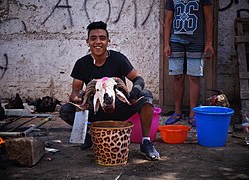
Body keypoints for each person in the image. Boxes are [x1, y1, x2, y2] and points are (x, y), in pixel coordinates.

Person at [60, 21, 160, 161]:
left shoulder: (118, 59)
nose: (98, 42)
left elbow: (138, 79)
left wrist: (134, 93)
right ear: (87, 42)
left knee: (146, 96)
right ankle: (89, 136)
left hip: (120, 108)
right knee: (65, 110)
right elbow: (75, 92)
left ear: (108, 41)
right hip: (96, 110)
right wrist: (78, 99)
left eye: (102, 38)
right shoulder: (82, 64)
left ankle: (146, 141)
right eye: (93, 38)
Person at [164, 0, 214, 127]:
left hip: (196, 41)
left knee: (194, 76)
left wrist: (208, 43)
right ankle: (177, 112)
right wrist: (166, 44)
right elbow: (168, 20)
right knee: (177, 76)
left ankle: (193, 114)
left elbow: (209, 18)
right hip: (175, 40)